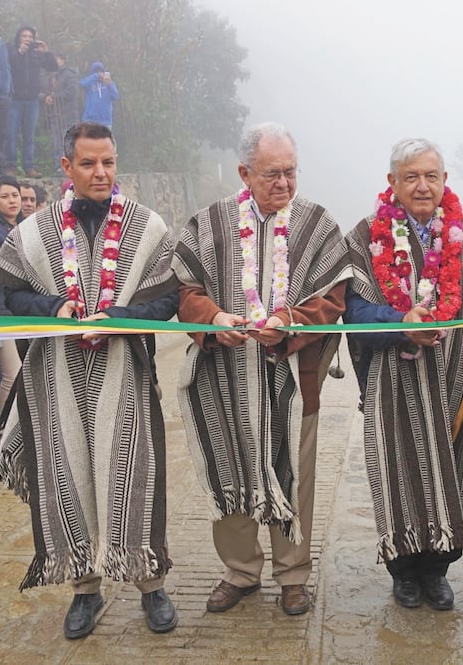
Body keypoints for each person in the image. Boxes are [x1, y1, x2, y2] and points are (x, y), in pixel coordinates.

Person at [0, 122, 179, 639]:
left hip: (127, 376)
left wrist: (122, 314)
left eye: (109, 162)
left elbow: (167, 297)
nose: (101, 173)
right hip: (56, 379)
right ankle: (84, 588)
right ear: (66, 168)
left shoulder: (148, 226)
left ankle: (151, 583)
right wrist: (56, 305)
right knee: (68, 479)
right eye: (88, 163)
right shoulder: (32, 231)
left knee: (134, 476)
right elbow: (9, 294)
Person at [174, 122, 352, 616]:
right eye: (271, 173)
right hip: (223, 380)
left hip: (296, 383)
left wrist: (289, 321)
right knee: (230, 471)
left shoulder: (317, 224)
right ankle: (240, 572)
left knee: (295, 476)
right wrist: (213, 319)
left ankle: (293, 575)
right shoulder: (209, 224)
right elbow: (185, 291)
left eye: (290, 172)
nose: (284, 183)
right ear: (244, 173)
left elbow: (333, 298)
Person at [344, 138, 463, 610]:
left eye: (430, 176)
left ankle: (438, 570)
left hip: (460, 381)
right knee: (399, 473)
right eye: (410, 176)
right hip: (395, 381)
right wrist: (399, 325)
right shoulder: (363, 235)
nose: (422, 186)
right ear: (392, 182)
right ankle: (404, 572)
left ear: (445, 181)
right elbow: (352, 310)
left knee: (453, 472)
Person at [5, 25, 58, 178]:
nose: (27, 39)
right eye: (24, 36)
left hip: (32, 101)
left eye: (30, 36)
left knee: (29, 135)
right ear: (18, 38)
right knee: (11, 134)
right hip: (14, 99)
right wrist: (20, 52)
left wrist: (46, 52)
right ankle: (11, 166)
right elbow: (6, 65)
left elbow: (53, 67)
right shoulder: (10, 50)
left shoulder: (37, 54)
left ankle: (29, 167)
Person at [0, 175, 23, 424]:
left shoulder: (26, 227)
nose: (12, 200)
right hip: (1, 314)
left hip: (22, 312)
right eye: (4, 196)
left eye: (14, 195)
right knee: (11, 374)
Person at [46, 53, 80, 171]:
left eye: (57, 59)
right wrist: (45, 97)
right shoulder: (49, 75)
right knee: (56, 142)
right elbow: (42, 91)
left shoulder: (69, 74)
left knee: (68, 142)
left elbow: (71, 92)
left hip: (68, 114)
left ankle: (71, 167)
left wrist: (54, 97)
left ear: (63, 60)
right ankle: (58, 167)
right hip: (54, 114)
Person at [80, 62, 119, 129]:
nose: (99, 73)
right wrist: (96, 76)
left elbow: (115, 96)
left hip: (105, 122)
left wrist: (109, 85)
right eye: (96, 71)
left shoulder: (109, 83)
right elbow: (82, 83)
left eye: (101, 71)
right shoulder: (89, 82)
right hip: (89, 121)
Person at [0, 34, 11, 175]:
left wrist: (7, 91)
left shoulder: (0, 43)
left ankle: (0, 167)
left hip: (2, 96)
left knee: (1, 133)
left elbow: (5, 69)